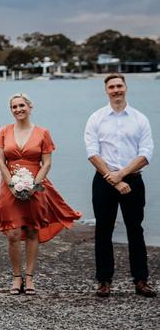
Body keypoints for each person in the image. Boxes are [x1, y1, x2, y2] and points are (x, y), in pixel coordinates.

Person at [0, 93, 82, 295]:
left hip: (35, 185)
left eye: (21, 105)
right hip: (9, 186)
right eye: (14, 107)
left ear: (30, 107)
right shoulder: (4, 131)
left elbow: (47, 162)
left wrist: (34, 184)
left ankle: (30, 278)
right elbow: (0, 161)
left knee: (33, 230)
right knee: (12, 233)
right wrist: (11, 184)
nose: (18, 110)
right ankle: (17, 278)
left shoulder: (43, 133)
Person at [84, 73, 156, 298]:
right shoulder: (96, 118)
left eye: (119, 86)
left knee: (136, 230)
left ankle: (141, 281)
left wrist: (122, 175)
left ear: (126, 88)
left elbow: (146, 154)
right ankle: (104, 281)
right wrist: (112, 177)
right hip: (103, 180)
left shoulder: (140, 119)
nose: (116, 90)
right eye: (112, 87)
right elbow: (92, 152)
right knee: (103, 230)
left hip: (132, 180)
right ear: (106, 91)